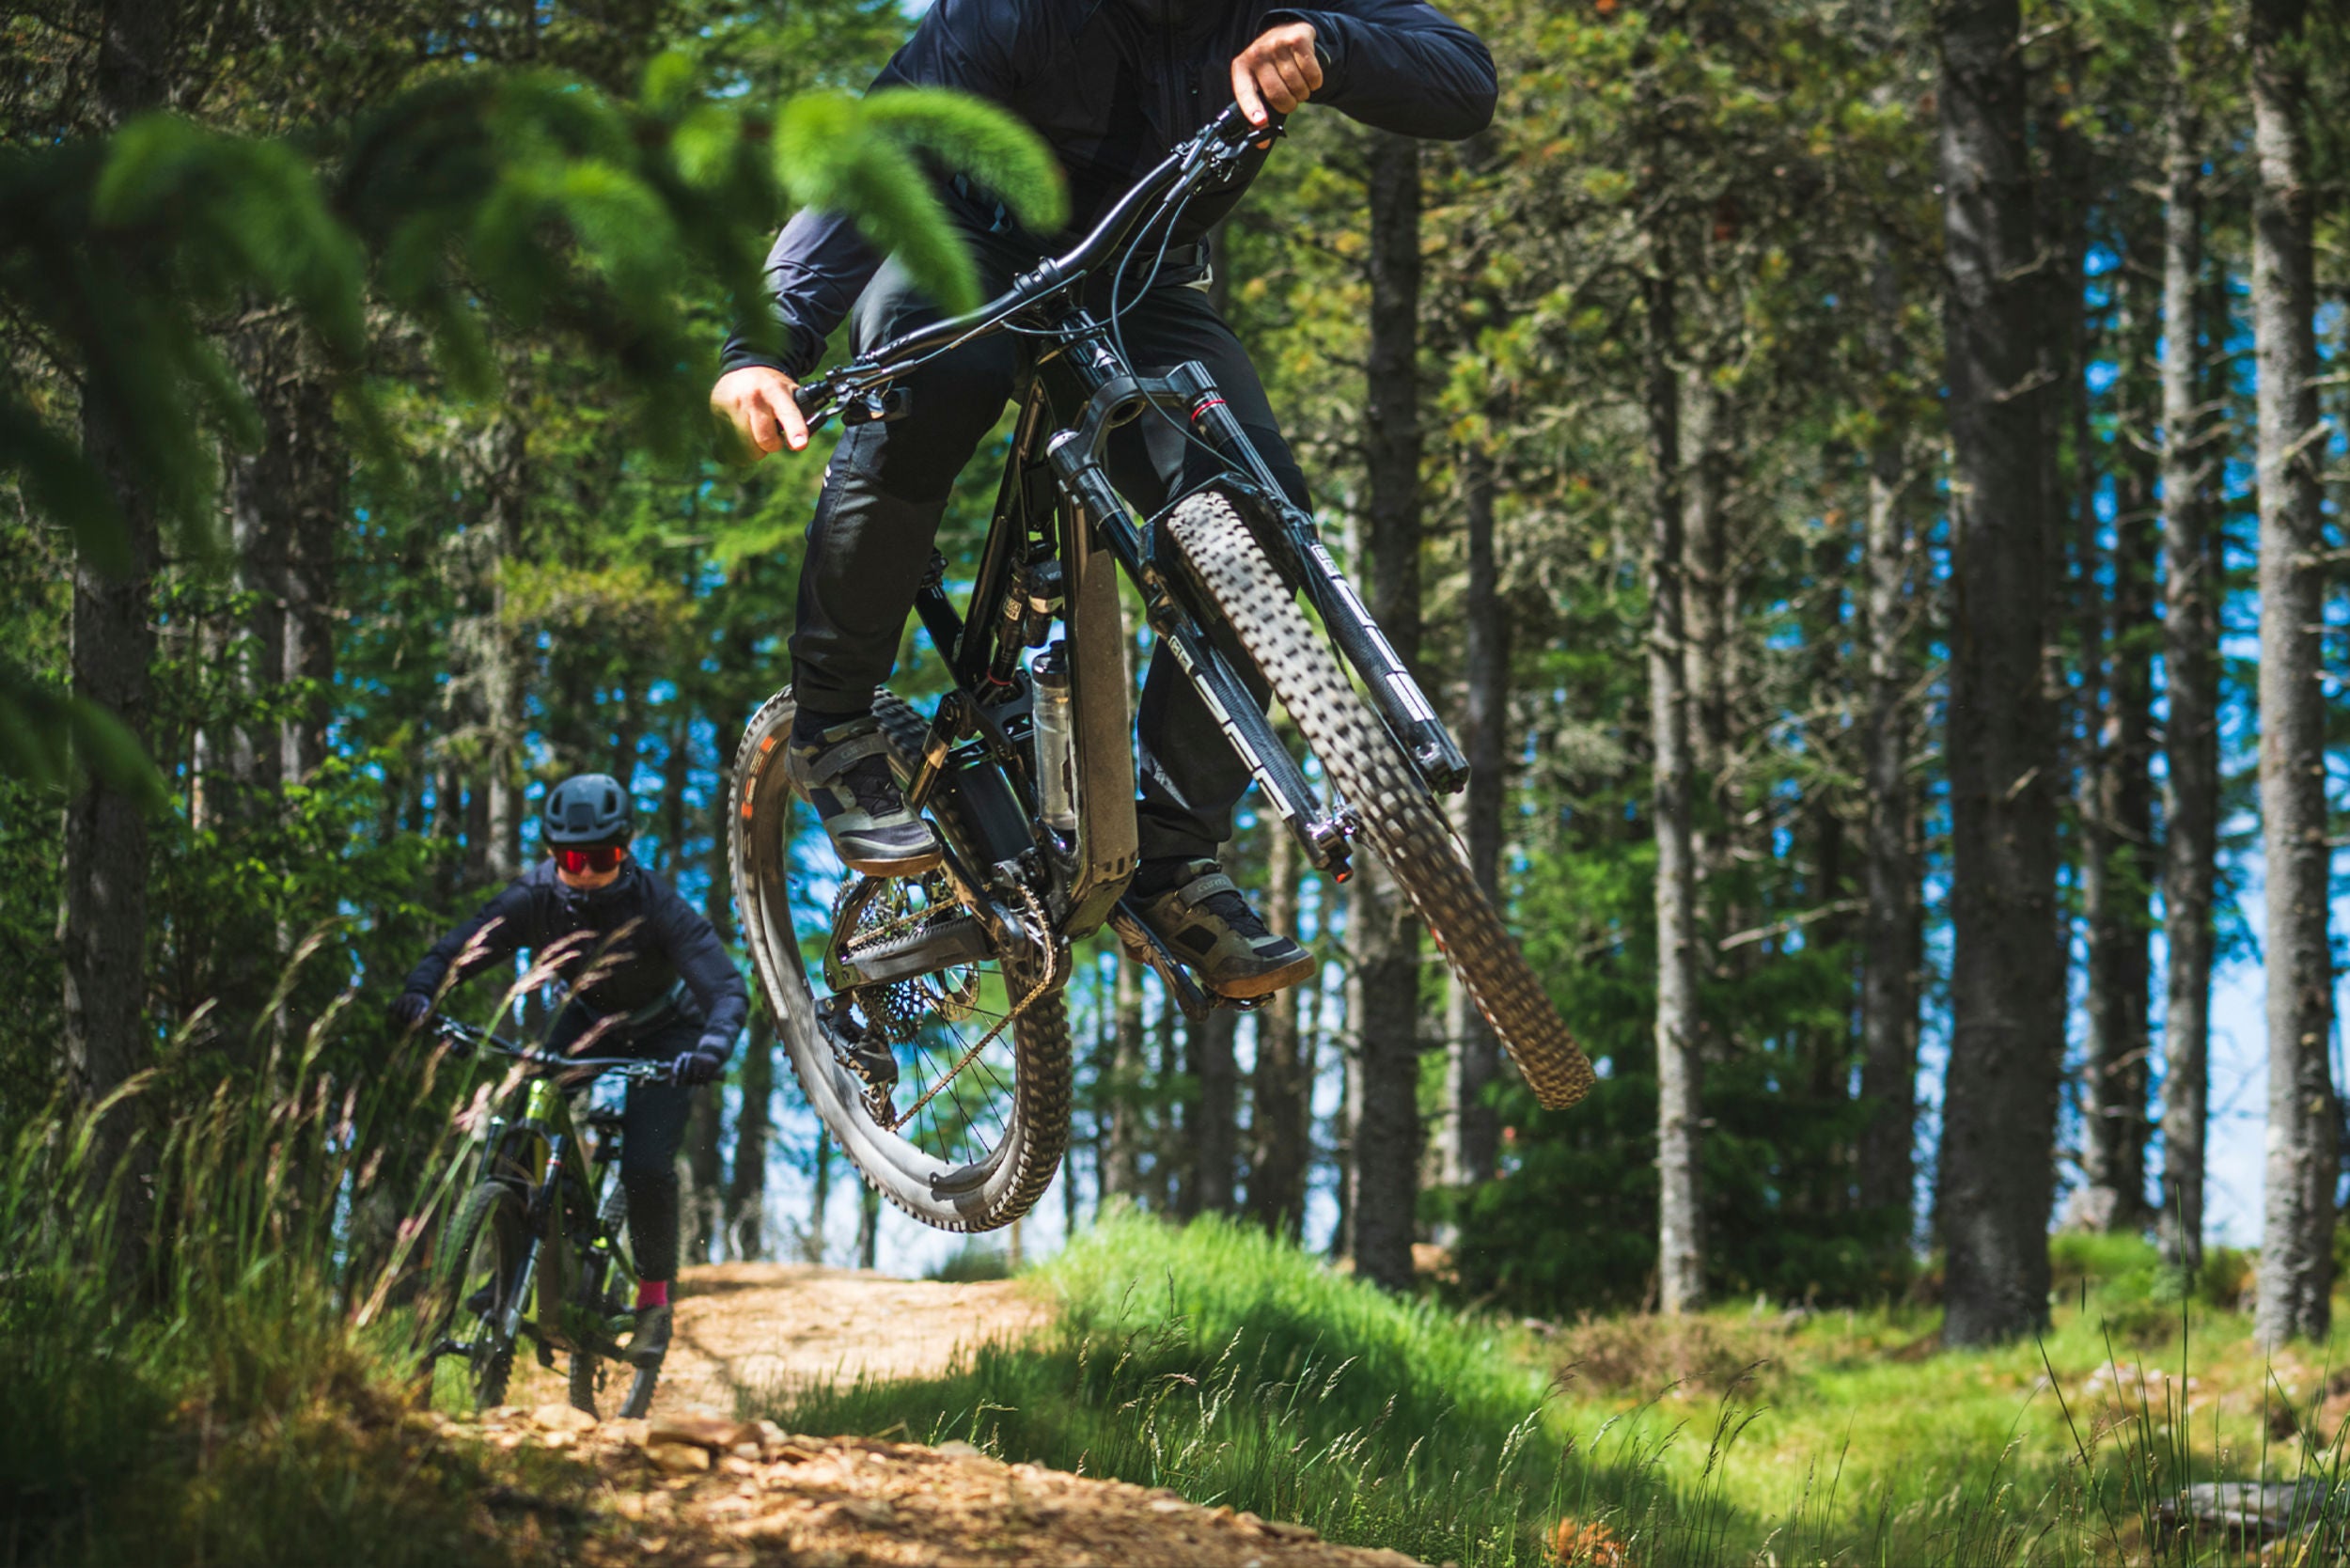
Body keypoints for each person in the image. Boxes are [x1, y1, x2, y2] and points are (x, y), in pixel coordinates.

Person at [710, 0, 1495, 1001]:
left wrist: (1329, 49)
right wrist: (766, 347)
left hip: (1135, 276)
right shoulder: (1012, 13)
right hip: (963, 242)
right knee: (927, 392)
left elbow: (1461, 79)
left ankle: (1172, 858)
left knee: (1250, 506)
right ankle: (833, 726)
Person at [390, 773, 749, 1366]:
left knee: (645, 1165)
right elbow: (460, 949)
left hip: (669, 1031)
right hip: (588, 1020)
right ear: (552, 852)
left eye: (600, 856)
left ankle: (655, 1300)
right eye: (568, 857)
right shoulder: (534, 897)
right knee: (523, 1117)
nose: (582, 871)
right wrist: (422, 993)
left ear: (626, 848)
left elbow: (727, 989)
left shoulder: (657, 904)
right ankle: (515, 1267)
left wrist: (711, 1047)